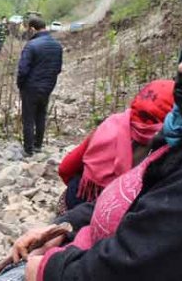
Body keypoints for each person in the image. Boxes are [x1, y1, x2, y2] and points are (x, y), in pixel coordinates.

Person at [7, 0, 182, 281]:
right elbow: (140, 196)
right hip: (85, 246)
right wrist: (67, 225)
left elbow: (136, 267)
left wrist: (49, 270)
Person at [57, 80, 174, 211]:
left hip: (77, 203)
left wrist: (87, 186)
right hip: (120, 216)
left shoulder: (112, 124)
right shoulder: (169, 147)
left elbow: (65, 168)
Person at [16, 17, 62, 156]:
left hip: (31, 86)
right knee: (41, 115)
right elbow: (58, 68)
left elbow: (23, 69)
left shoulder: (31, 45)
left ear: (32, 28)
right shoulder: (57, 45)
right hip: (47, 86)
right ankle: (38, 146)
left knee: (28, 117)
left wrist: (20, 84)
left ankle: (28, 150)